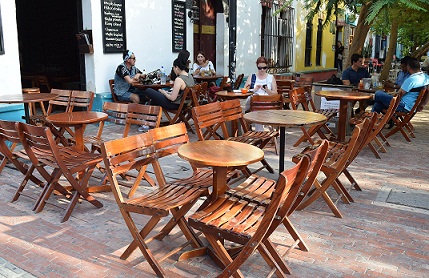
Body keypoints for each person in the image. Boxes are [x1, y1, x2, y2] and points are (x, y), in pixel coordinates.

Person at [243, 56, 278, 131]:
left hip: (267, 104)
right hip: (255, 104)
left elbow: (275, 94)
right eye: (260, 68)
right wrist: (254, 90)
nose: (262, 70)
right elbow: (245, 90)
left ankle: (260, 133)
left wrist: (267, 90)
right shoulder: (252, 76)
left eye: (264, 68)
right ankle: (260, 133)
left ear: (267, 67)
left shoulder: (270, 77)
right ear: (257, 67)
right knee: (255, 105)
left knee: (257, 111)